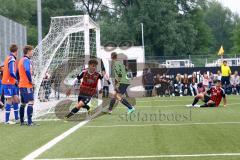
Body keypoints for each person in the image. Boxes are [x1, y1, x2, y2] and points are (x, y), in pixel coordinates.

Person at [18, 45, 36, 126]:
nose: (32, 52)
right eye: (32, 51)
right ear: (28, 51)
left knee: (23, 103)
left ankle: (22, 121)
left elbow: (17, 73)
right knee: (31, 101)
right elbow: (27, 70)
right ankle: (29, 122)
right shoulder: (26, 60)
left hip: (21, 84)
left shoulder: (21, 60)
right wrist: (30, 80)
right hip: (26, 84)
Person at [2, 44, 20, 124]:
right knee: (9, 100)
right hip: (8, 82)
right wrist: (16, 79)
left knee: (16, 99)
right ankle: (6, 120)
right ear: (16, 51)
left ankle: (17, 118)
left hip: (11, 82)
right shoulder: (11, 58)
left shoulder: (8, 57)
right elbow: (11, 71)